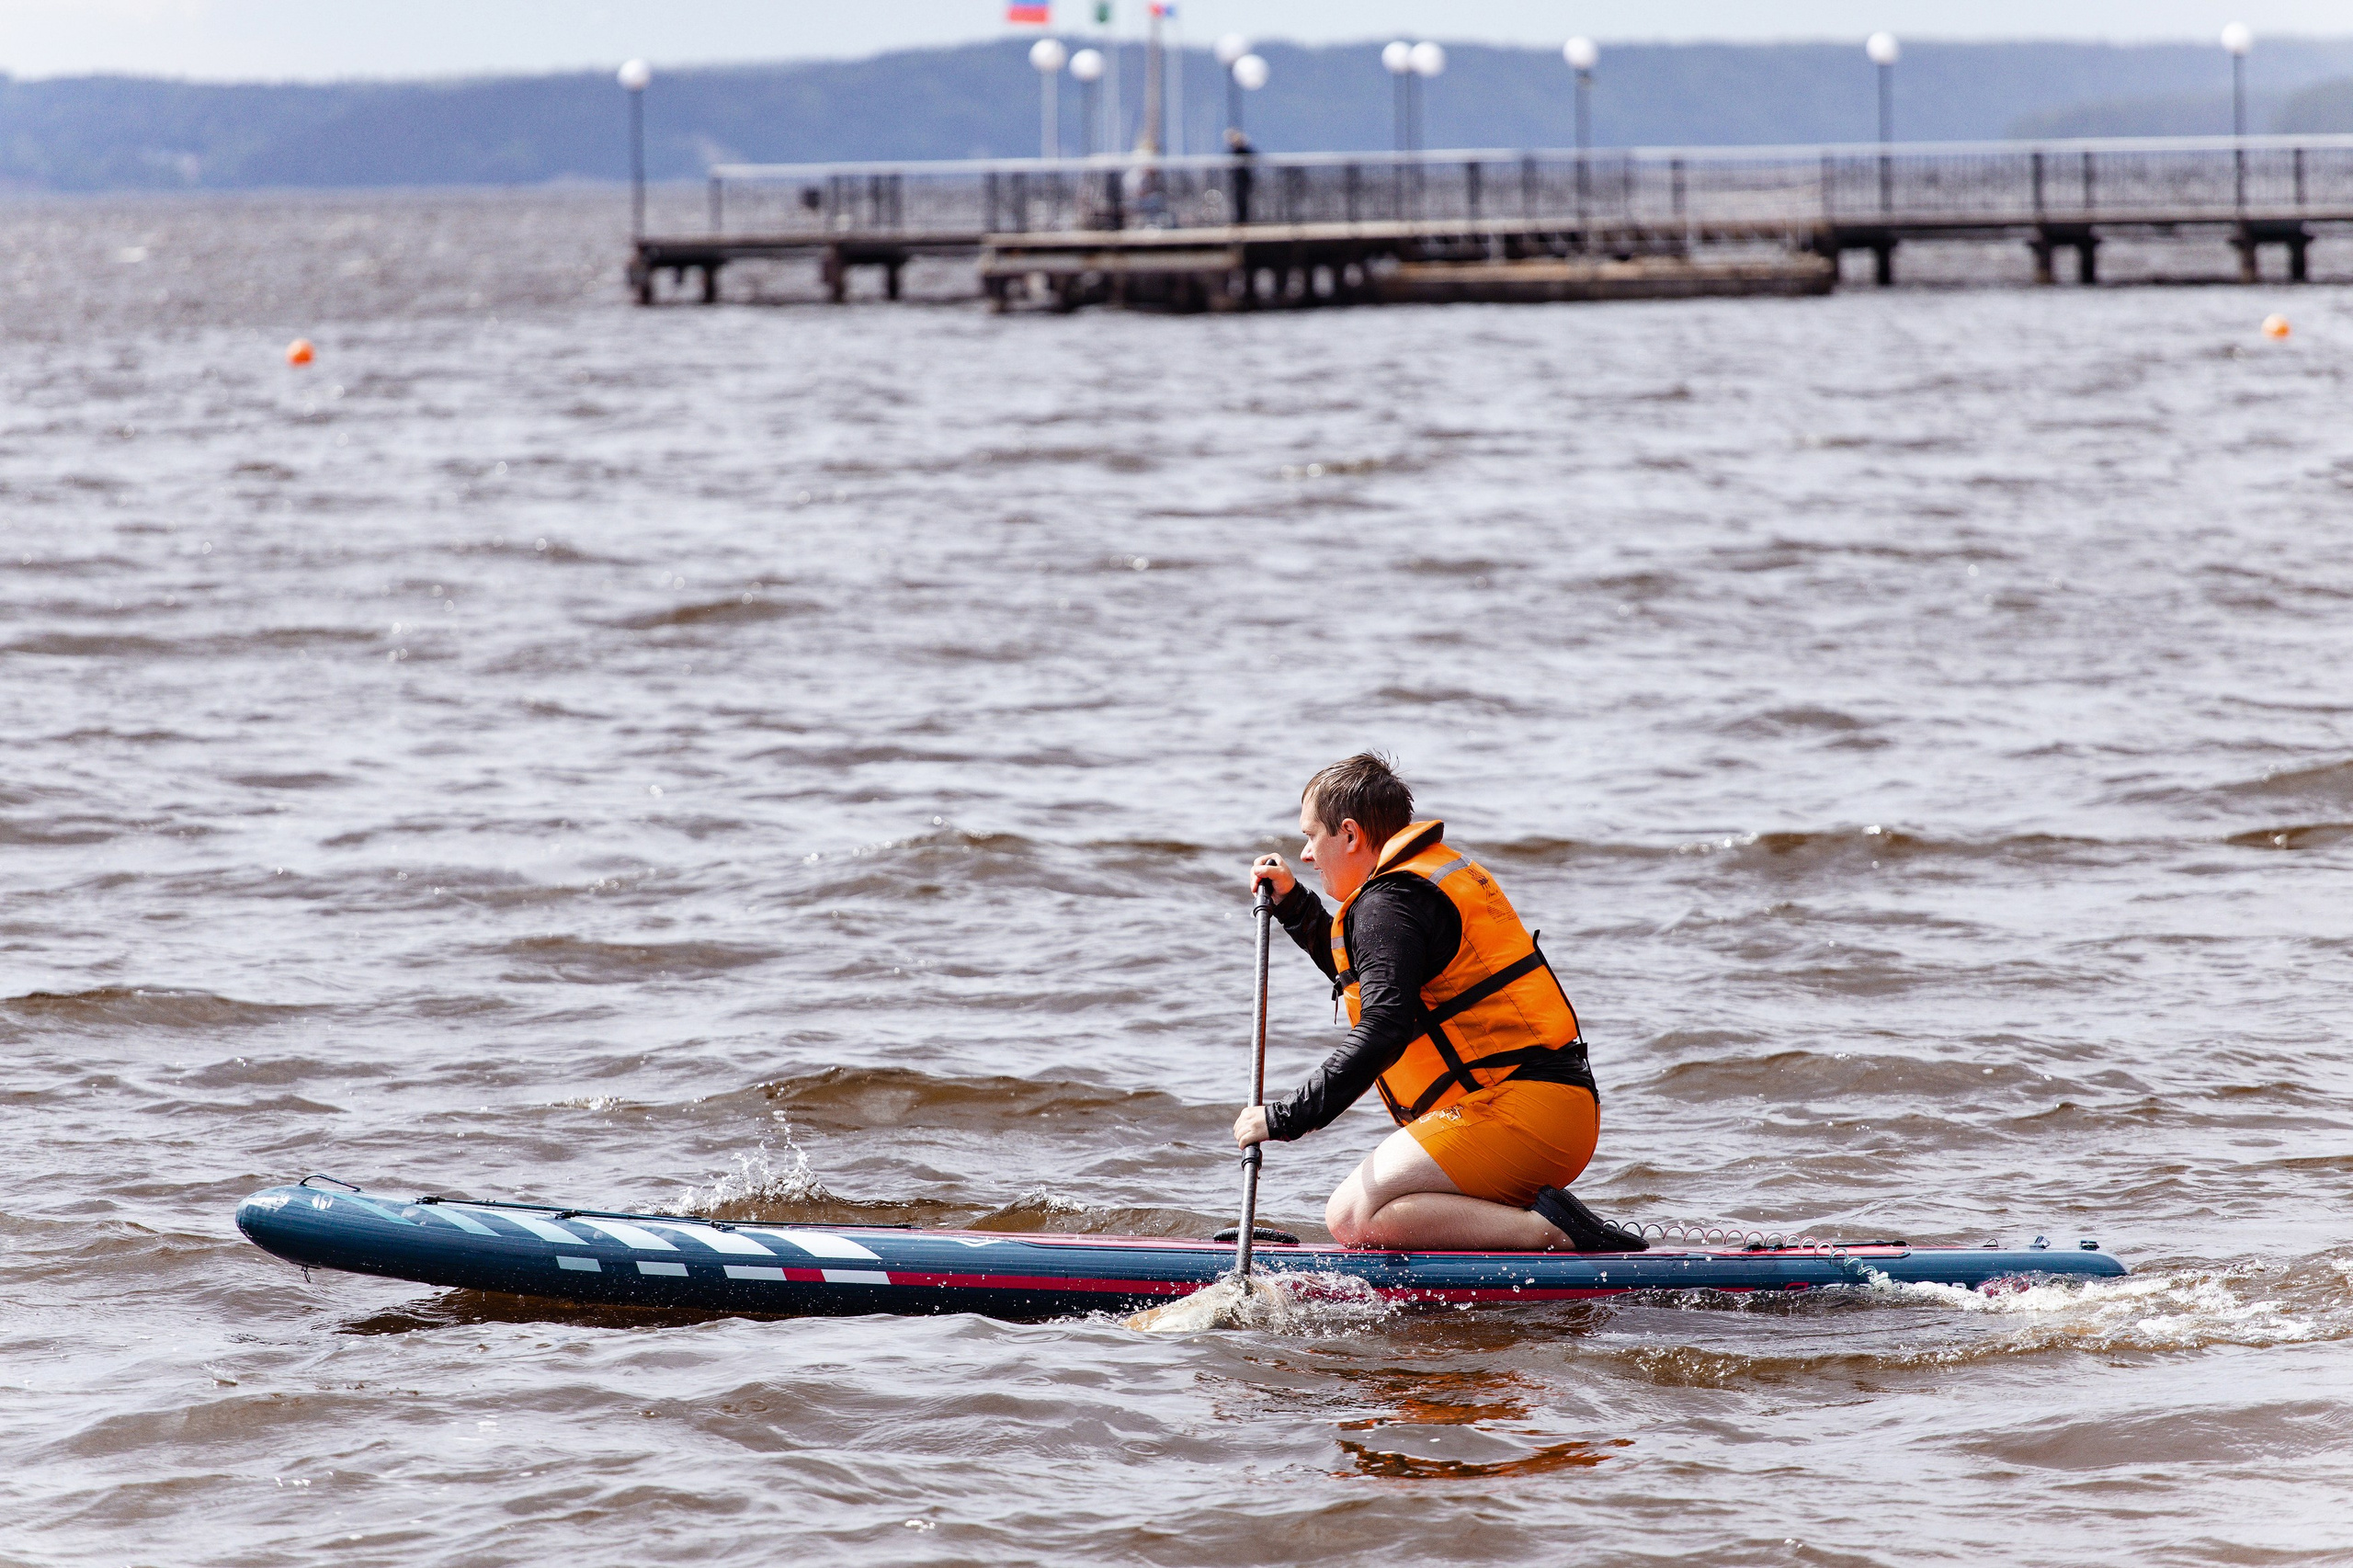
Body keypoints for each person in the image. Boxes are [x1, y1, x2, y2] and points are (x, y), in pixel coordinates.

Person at [1234, 753, 1644, 1253]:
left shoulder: (1390, 902)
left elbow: (1383, 1026)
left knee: (1352, 1218)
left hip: (1526, 1112)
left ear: (1349, 834)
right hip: (1547, 1108)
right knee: (1374, 1215)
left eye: (1311, 835)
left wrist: (1286, 1117)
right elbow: (1378, 976)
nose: (1305, 854)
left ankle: (1553, 1233)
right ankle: (1528, 1232)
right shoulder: (1405, 890)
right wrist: (1296, 906)